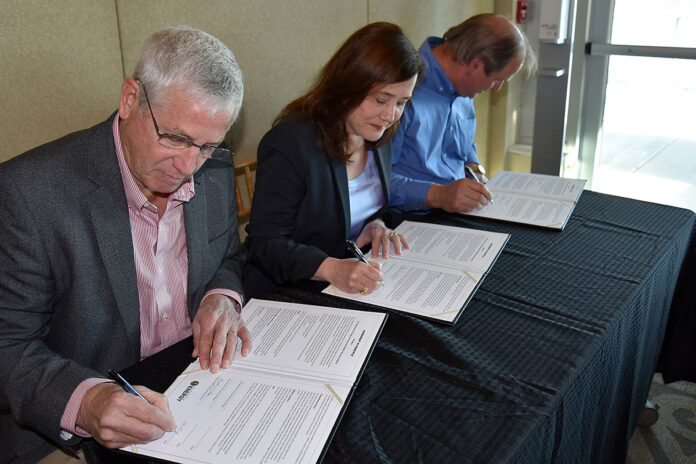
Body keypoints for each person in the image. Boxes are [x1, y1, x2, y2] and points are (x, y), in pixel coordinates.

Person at [0, 26, 251, 462]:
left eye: (208, 146)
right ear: (131, 98)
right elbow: (7, 345)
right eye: (174, 137)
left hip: (195, 386)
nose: (188, 166)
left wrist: (221, 296)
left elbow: (229, 255)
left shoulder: (213, 171)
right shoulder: (28, 194)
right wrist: (88, 401)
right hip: (76, 425)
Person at [244, 22, 422, 299]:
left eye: (401, 103)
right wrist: (330, 268)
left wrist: (375, 224)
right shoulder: (291, 141)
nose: (390, 115)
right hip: (290, 293)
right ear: (349, 84)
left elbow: (364, 206)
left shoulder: (378, 132)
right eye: (381, 99)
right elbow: (264, 245)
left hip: (346, 284)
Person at [390, 13, 536, 213]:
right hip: (411, 220)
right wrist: (438, 195)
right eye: (497, 79)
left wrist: (474, 169)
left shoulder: (463, 87)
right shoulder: (402, 89)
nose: (496, 88)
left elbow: (461, 146)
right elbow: (373, 183)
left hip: (457, 215)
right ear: (476, 64)